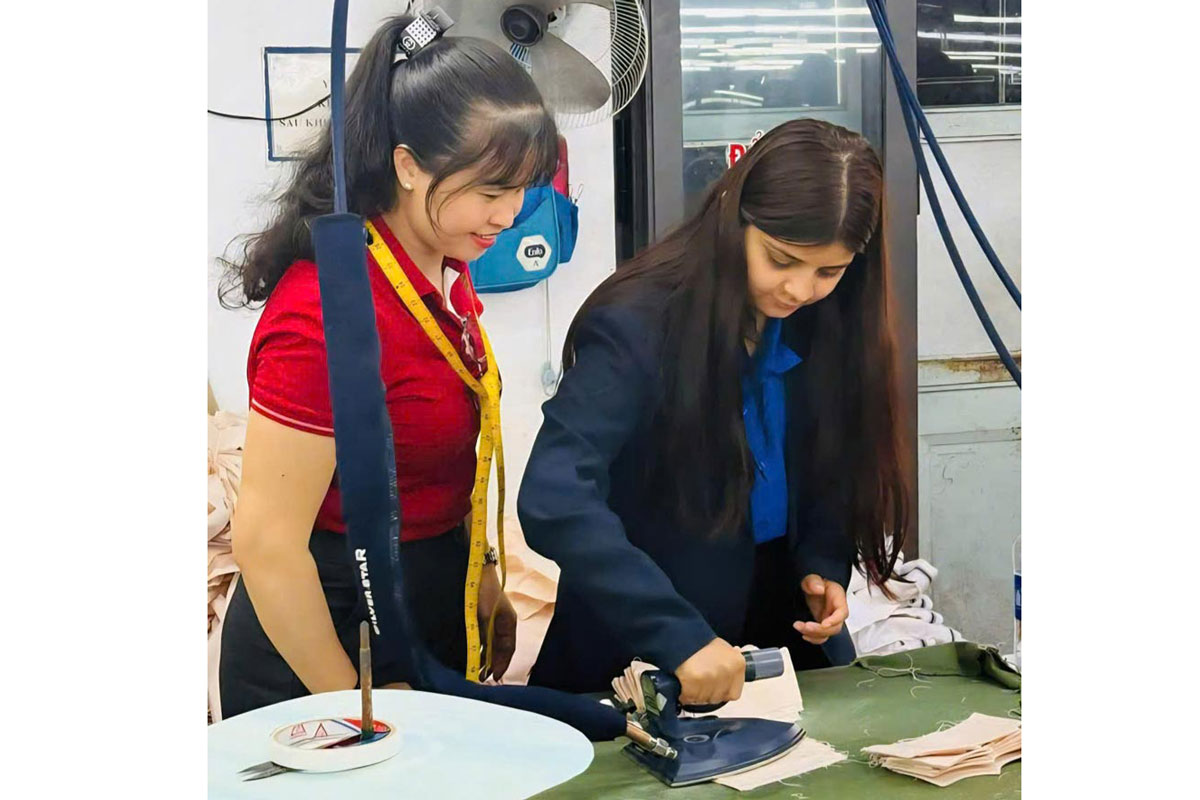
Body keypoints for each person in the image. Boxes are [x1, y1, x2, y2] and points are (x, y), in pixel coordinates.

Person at [217, 13, 561, 718]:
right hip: (322, 638)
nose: (509, 215)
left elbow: (438, 458)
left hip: (421, 597)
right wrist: (359, 706)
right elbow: (266, 545)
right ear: (408, 167)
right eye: (490, 191)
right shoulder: (324, 313)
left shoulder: (442, 265)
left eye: (522, 189)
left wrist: (482, 578)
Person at [518, 119, 912, 706]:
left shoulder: (827, 321)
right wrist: (675, 633)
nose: (799, 290)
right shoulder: (636, 323)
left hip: (780, 641)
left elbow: (831, 459)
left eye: (827, 271)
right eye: (781, 260)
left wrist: (822, 563)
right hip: (644, 648)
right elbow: (554, 496)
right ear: (735, 219)